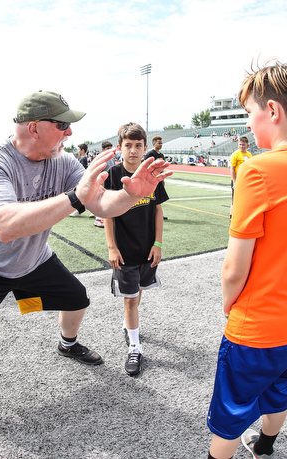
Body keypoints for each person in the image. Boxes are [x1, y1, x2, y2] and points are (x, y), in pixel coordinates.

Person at [0, 90, 171, 432]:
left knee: (76, 299)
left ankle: (67, 344)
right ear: (34, 128)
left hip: (32, 259)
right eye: (62, 125)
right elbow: (6, 227)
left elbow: (100, 204)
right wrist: (74, 197)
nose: (69, 134)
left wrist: (129, 194)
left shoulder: (62, 161)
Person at [206, 60, 287, 459]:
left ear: (273, 111)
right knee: (280, 387)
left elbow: (234, 269)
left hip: (257, 324)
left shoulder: (257, 170)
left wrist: (229, 302)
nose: (248, 123)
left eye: (249, 113)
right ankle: (265, 447)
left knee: (229, 415)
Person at [103, 122, 168, 377]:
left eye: (137, 145)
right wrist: (112, 247)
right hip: (124, 250)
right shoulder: (112, 175)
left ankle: (128, 325)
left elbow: (159, 210)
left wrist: (158, 243)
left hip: (147, 249)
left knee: (137, 295)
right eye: (127, 145)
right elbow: (107, 214)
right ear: (120, 147)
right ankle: (134, 347)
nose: (133, 150)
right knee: (130, 300)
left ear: (145, 147)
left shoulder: (151, 173)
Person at [92, 141, 116, 228]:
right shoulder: (101, 158)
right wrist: (100, 183)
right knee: (101, 201)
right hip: (103, 182)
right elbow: (98, 171)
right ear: (103, 149)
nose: (109, 150)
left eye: (110, 148)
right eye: (107, 149)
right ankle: (98, 219)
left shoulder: (112, 158)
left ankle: (104, 218)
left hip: (110, 182)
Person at [144, 135, 169, 220]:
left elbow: (162, 167)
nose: (161, 144)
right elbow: (145, 165)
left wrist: (163, 179)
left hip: (159, 179)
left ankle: (158, 215)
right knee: (152, 198)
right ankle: (151, 214)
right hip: (152, 179)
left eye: (161, 143)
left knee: (158, 198)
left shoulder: (161, 154)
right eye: (159, 143)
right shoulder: (150, 154)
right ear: (154, 144)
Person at [228, 136, 253, 218]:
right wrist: (235, 181)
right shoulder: (235, 155)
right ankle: (232, 218)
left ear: (247, 146)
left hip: (246, 180)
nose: (241, 146)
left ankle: (243, 215)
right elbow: (232, 169)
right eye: (240, 144)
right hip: (237, 180)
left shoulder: (249, 155)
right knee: (234, 201)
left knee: (245, 199)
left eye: (243, 145)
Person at [69, 144, 90, 217]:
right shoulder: (82, 159)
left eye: (78, 149)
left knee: (76, 196)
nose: (78, 151)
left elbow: (81, 171)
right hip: (80, 181)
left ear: (82, 150)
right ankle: (80, 209)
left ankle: (80, 210)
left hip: (80, 181)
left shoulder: (83, 159)